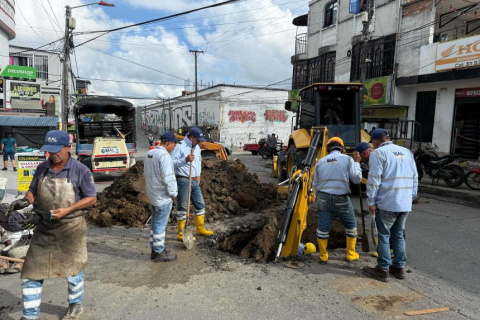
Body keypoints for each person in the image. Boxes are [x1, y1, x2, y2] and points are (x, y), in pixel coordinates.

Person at [9, 130, 97, 320]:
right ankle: (30, 315)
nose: (53, 154)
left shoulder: (81, 170)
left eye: (57, 150)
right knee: (31, 272)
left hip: (70, 227)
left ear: (68, 147)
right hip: (44, 228)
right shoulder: (42, 168)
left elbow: (91, 198)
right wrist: (26, 201)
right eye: (49, 151)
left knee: (73, 271)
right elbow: (32, 190)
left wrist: (68, 210)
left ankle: (75, 305)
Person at [362, 129, 418, 282]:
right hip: (405, 202)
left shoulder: (378, 154)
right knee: (398, 235)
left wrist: (371, 202)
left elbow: (374, 180)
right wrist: (411, 196)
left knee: (384, 235)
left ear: (375, 141)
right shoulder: (407, 152)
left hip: (388, 202)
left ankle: (383, 269)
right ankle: (399, 268)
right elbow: (415, 176)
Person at [312, 137, 362, 264]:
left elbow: (315, 185)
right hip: (341, 198)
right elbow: (356, 179)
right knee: (351, 225)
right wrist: (357, 163)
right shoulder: (347, 159)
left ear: (328, 148)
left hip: (323, 197)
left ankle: (323, 256)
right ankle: (350, 254)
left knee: (323, 227)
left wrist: (317, 199)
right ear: (342, 148)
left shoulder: (320, 162)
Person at [171, 127, 214, 240]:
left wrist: (198, 175)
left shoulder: (197, 148)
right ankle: (181, 233)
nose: (199, 142)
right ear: (191, 138)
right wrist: (185, 160)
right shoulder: (179, 147)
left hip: (194, 179)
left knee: (200, 204)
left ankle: (200, 228)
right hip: (183, 180)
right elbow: (171, 162)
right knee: (183, 207)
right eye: (198, 139)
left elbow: (198, 162)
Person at [144, 132, 179, 262]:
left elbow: (146, 174)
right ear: (168, 143)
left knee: (154, 224)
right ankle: (159, 252)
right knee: (160, 225)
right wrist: (173, 193)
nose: (174, 148)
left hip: (152, 194)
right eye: (174, 145)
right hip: (162, 196)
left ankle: (155, 248)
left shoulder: (150, 154)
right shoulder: (164, 156)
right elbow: (168, 177)